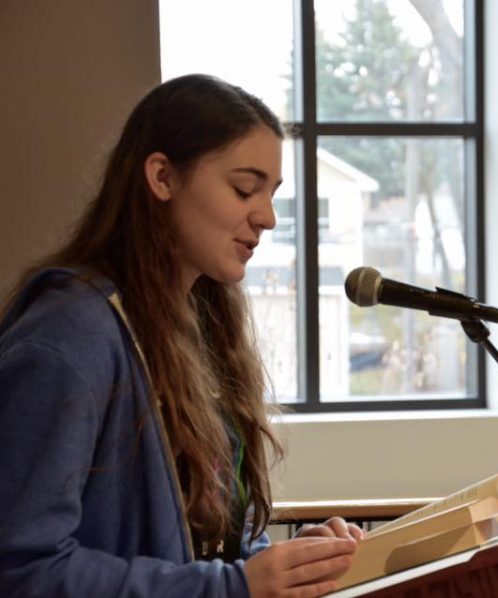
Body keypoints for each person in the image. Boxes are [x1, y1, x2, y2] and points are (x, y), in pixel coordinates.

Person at [0, 74, 362, 597]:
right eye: (244, 188)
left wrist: (283, 565)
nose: (267, 217)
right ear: (163, 177)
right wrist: (234, 588)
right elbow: (20, 570)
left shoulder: (200, 325)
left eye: (271, 193)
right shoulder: (69, 336)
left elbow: (194, 547)